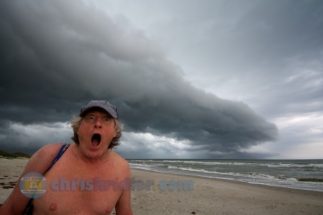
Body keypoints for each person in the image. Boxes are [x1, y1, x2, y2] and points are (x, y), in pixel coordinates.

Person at [0, 100, 133, 215]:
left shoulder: (122, 168)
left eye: (106, 119)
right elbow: (11, 209)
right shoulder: (49, 156)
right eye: (91, 117)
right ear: (78, 128)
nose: (98, 123)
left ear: (115, 132)